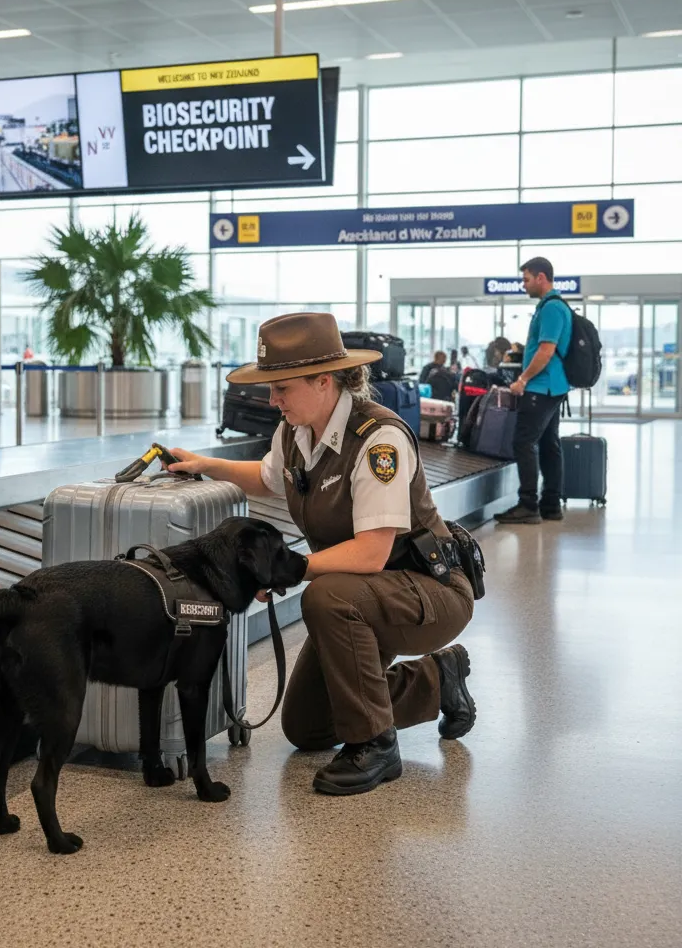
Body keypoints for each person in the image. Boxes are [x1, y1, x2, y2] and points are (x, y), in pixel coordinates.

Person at [167, 313, 476, 796]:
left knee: (326, 595)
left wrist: (288, 569)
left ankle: (376, 746)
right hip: (367, 594)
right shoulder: (294, 433)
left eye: (282, 388)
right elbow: (268, 477)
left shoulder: (378, 440)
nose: (272, 400)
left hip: (429, 592)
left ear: (323, 381)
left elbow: (373, 553)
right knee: (307, 727)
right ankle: (438, 678)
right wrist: (205, 465)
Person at [494, 258, 573, 525]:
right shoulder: (554, 306)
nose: (523, 284)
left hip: (541, 386)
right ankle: (551, 504)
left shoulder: (551, 308)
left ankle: (528, 505)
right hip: (554, 387)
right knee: (549, 444)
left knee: (523, 442)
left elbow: (546, 351)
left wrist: (523, 380)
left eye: (526, 279)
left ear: (541, 278)